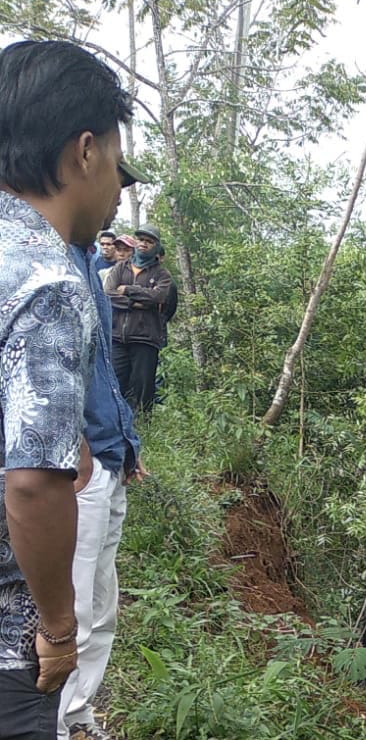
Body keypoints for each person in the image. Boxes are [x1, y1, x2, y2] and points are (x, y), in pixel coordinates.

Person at [0, 39, 137, 739]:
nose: (117, 186)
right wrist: (56, 628)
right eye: (117, 162)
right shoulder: (50, 282)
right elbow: (31, 485)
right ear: (84, 152)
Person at [62, 227, 147, 740]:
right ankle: (49, 721)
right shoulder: (44, 260)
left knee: (100, 608)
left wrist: (126, 443)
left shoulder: (87, 261)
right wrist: (76, 444)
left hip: (107, 457)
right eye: (115, 177)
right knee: (68, 612)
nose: (118, 195)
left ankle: (77, 717)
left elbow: (100, 371)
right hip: (76, 469)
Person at [104, 223, 172, 413]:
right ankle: (116, 428)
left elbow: (159, 297)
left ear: (156, 246)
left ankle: (144, 430)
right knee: (115, 386)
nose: (143, 244)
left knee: (143, 389)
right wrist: (135, 303)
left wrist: (128, 290)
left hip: (145, 338)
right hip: (118, 337)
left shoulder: (162, 275)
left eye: (149, 241)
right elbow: (108, 294)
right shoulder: (120, 268)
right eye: (141, 239)